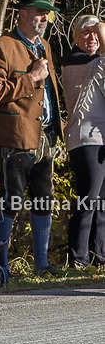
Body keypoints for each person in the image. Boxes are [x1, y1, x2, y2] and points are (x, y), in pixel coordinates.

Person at [0, 0, 62, 282]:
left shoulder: (45, 46)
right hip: (15, 136)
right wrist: (31, 78)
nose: (44, 18)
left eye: (46, 14)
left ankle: (42, 265)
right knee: (12, 200)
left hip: (46, 135)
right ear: (23, 14)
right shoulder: (2, 46)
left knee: (44, 199)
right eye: (39, 13)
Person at [61, 16, 105, 268]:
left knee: (102, 201)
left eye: (96, 33)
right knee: (88, 198)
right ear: (76, 37)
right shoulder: (76, 62)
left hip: (102, 137)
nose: (92, 38)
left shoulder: (97, 61)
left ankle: (100, 256)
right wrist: (103, 32)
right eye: (86, 32)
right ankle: (78, 258)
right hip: (86, 138)